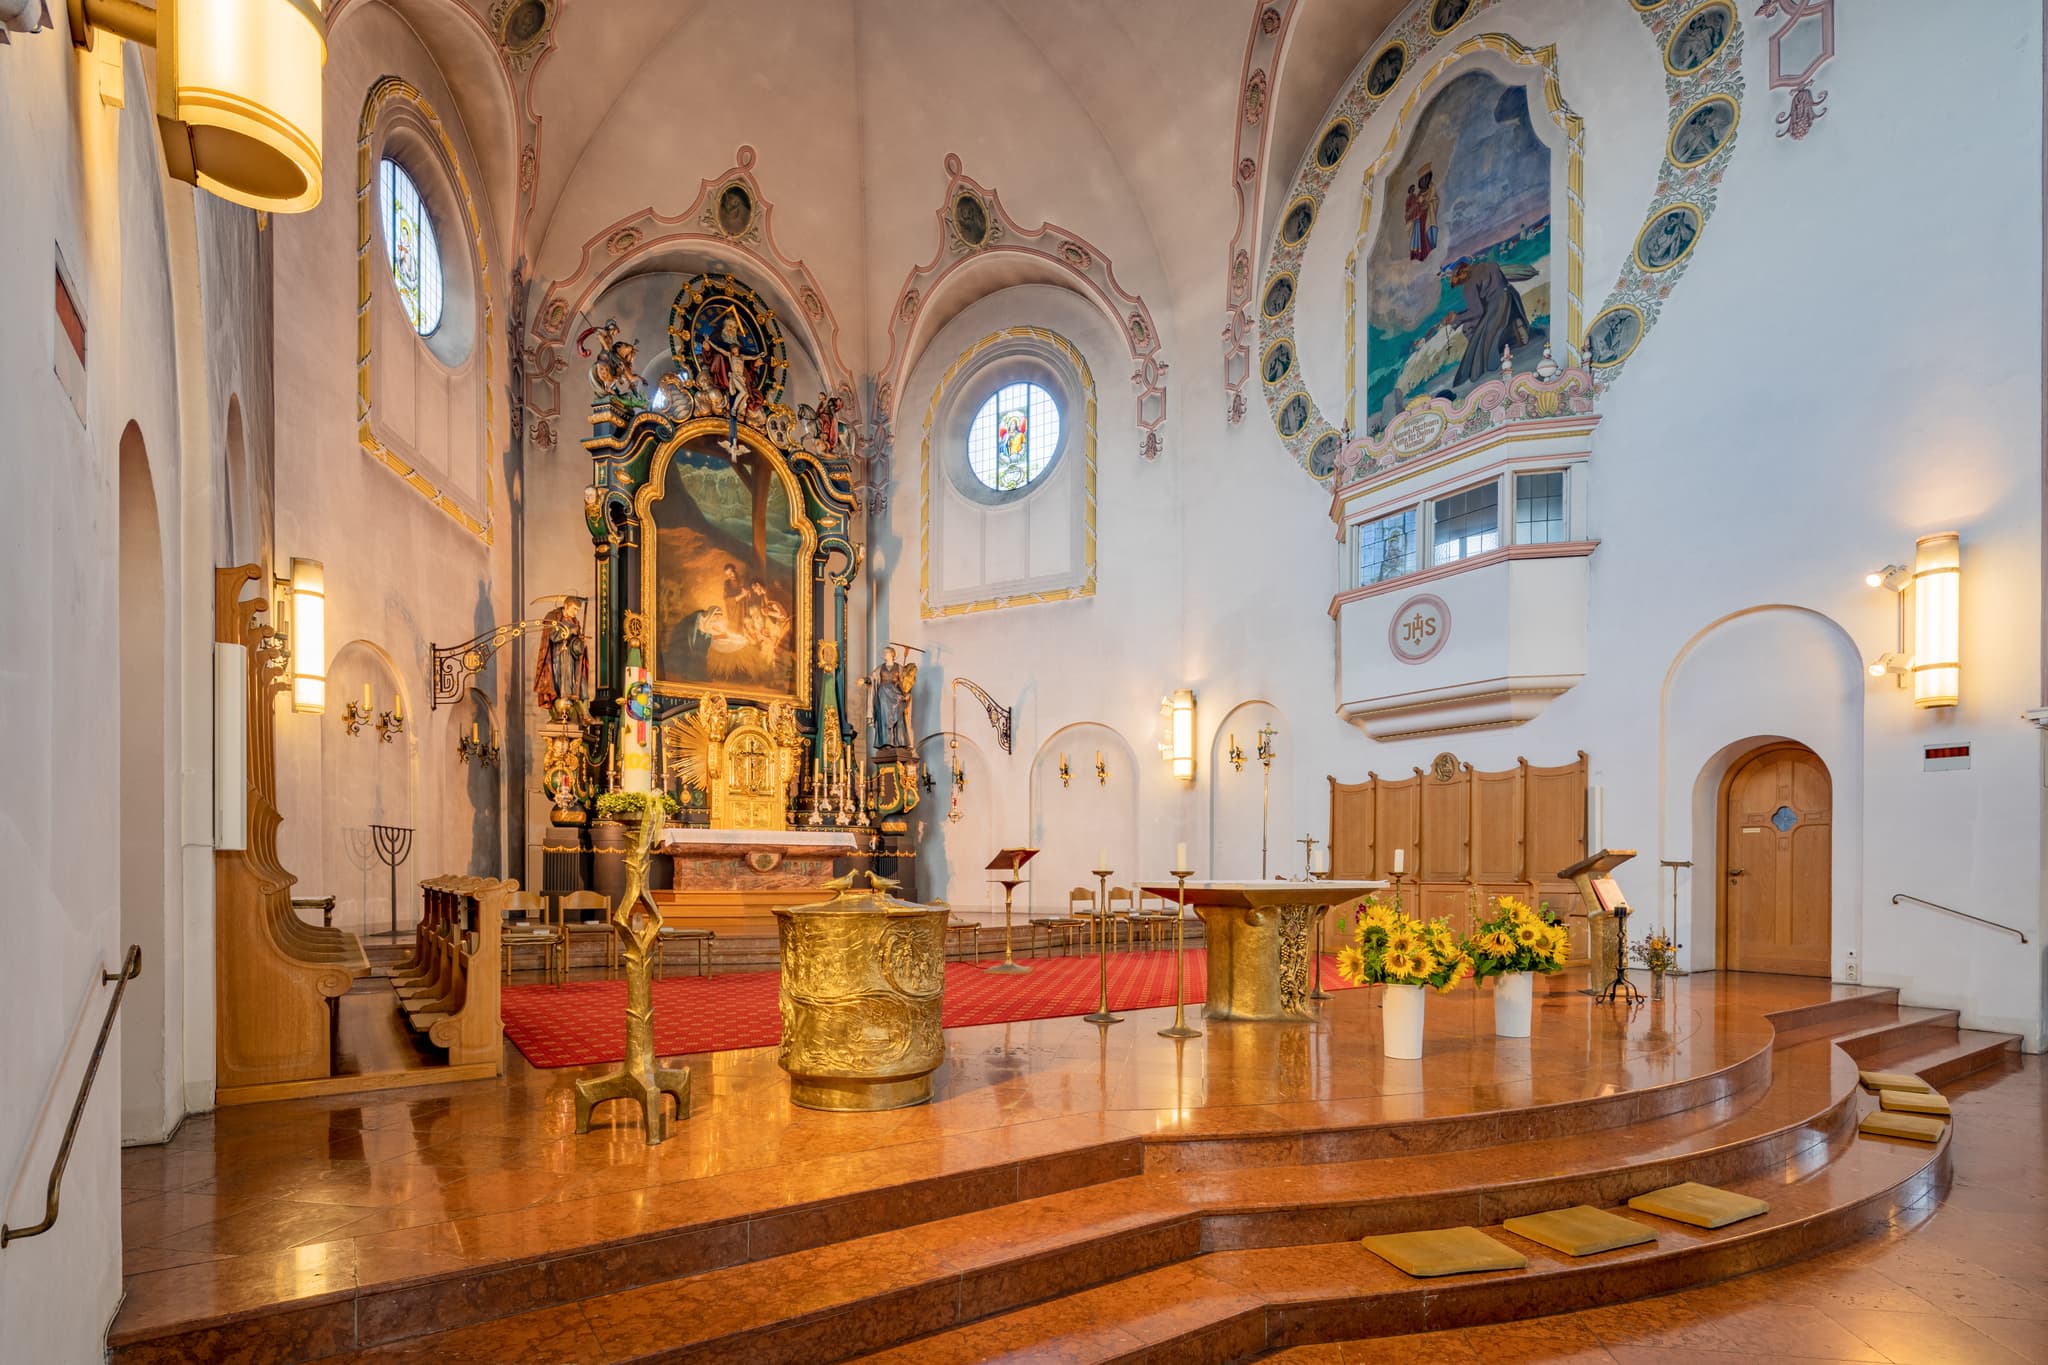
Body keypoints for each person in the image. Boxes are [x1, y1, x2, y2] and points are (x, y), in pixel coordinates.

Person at [1441, 257, 1533, 388]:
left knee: (1473, 332)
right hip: (1512, 297)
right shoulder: (1489, 265)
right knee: (1499, 322)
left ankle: (1487, 360)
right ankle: (1515, 326)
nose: (1458, 283)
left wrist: (1456, 318)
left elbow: (1476, 312)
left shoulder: (1469, 285)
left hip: (1496, 307)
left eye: (1456, 280)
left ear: (1460, 273)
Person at [533, 598, 589, 715]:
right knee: (562, 683)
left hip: (572, 657)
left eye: (578, 610)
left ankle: (583, 712)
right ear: (566, 606)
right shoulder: (553, 616)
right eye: (574, 609)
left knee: (578, 681)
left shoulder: (575, 621)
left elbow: (576, 641)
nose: (575, 613)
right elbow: (552, 636)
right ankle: (561, 706)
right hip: (557, 657)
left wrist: (580, 642)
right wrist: (569, 632)